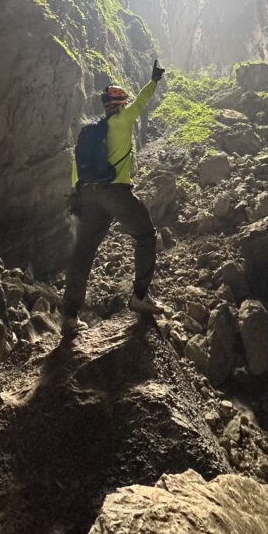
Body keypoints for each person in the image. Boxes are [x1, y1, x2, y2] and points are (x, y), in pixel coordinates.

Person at [61, 59, 166, 337]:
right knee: (145, 235)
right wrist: (154, 79)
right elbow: (142, 101)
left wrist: (77, 195)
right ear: (119, 104)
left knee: (83, 251)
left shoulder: (92, 133)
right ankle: (139, 297)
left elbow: (76, 167)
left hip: (88, 194)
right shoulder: (123, 120)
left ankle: (69, 316)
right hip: (115, 192)